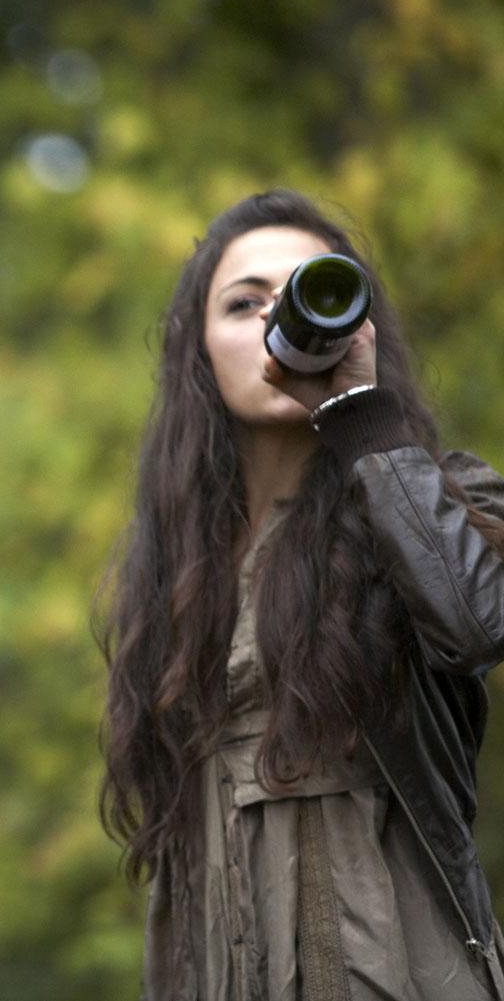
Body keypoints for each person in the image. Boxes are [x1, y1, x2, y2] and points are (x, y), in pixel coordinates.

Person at [98, 188, 504, 1000]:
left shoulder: (440, 497)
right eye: (244, 303)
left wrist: (359, 416)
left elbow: (476, 624)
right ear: (199, 349)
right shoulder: (174, 570)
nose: (277, 322)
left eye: (307, 294)